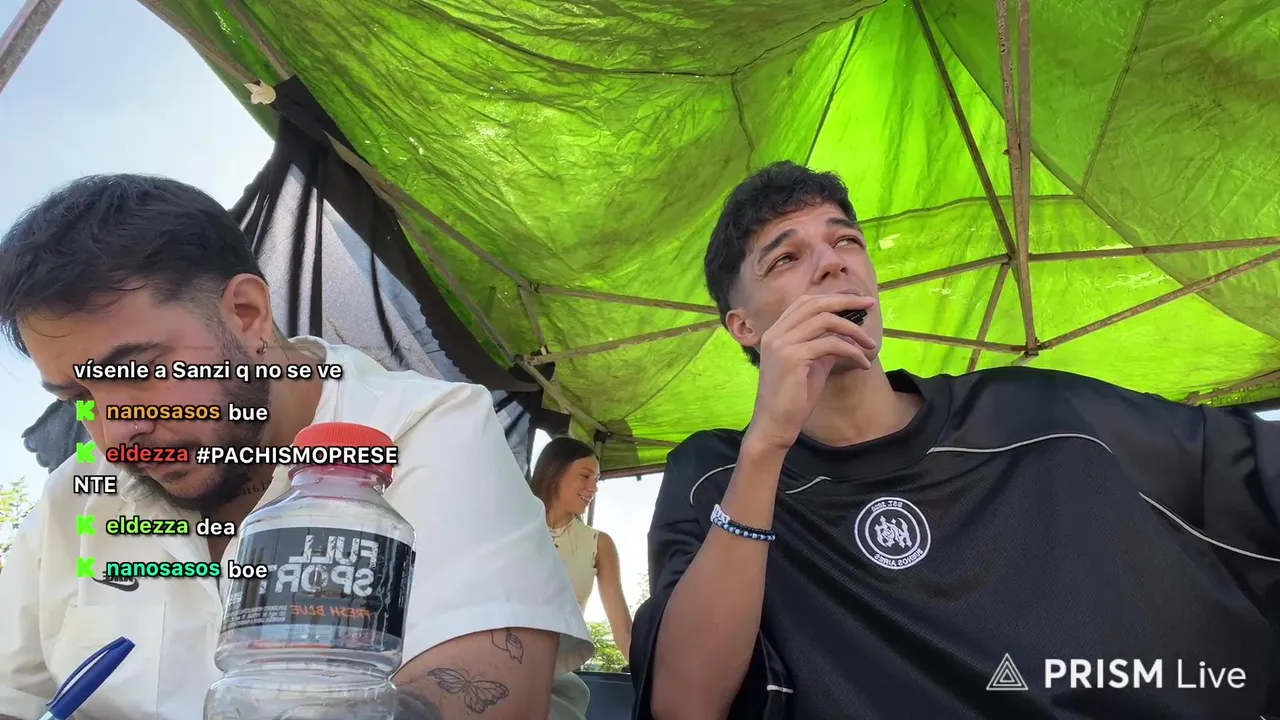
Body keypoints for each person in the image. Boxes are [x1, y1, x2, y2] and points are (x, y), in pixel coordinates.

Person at [629, 161, 1280, 719]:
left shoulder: (1039, 416)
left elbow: (1248, 470)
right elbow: (686, 703)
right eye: (787, 258)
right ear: (743, 327)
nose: (832, 263)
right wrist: (768, 444)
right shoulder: (718, 473)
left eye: (846, 240)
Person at [0, 174, 594, 720]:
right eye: (79, 396)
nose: (113, 437)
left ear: (246, 314)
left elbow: (488, 689)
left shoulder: (427, 429)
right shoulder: (76, 495)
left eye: (140, 373)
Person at [530, 437, 633, 663]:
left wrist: (651, 678)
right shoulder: (514, 529)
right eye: (585, 476)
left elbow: (624, 631)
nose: (594, 488)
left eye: (597, 479)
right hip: (500, 660)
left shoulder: (599, 544)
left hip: (556, 670)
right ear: (554, 473)